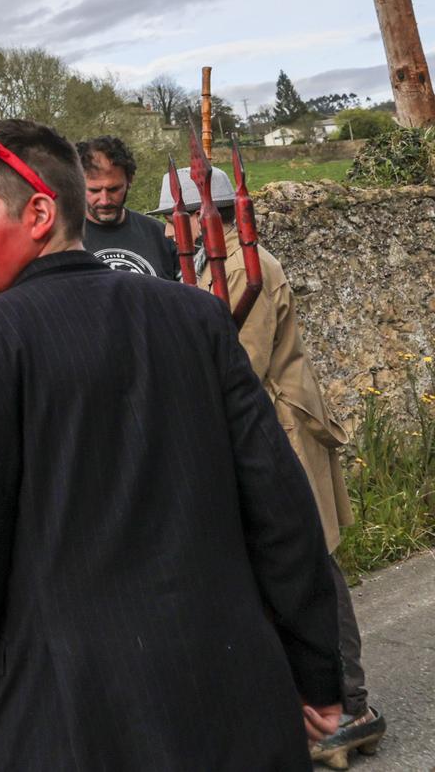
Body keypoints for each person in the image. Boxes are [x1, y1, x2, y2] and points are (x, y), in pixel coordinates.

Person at [0, 114, 342, 772]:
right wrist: (317, 670)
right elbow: (280, 505)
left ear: (37, 213)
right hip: (233, 692)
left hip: (74, 719)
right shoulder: (195, 314)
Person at [154, 164, 382, 763]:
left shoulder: (242, 269)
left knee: (310, 568)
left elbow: (239, 367)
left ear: (212, 214)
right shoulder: (209, 266)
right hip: (259, 435)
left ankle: (350, 706)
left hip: (280, 433)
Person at [76, 135, 180, 278]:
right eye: (94, 190)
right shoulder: (60, 240)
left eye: (114, 189)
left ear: (129, 180)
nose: (105, 201)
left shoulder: (161, 236)